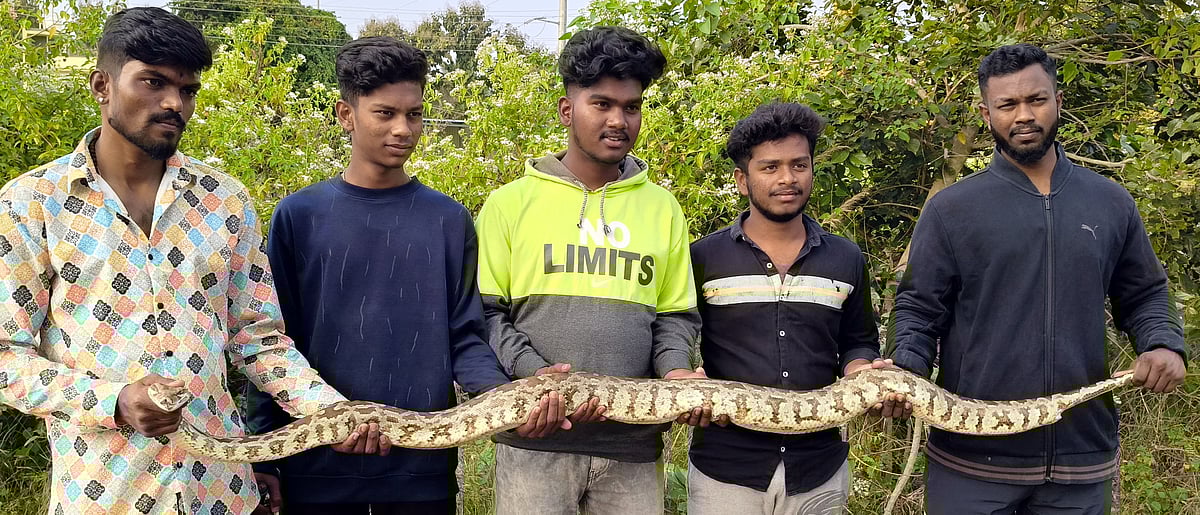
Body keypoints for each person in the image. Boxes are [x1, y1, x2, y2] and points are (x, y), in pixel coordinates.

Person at [0, 8, 388, 515]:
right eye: (153, 82)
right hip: (104, 495)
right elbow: (7, 357)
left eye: (187, 90)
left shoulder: (224, 200)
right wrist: (112, 401)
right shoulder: (30, 203)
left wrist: (334, 414)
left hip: (222, 494)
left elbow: (259, 340)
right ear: (102, 85)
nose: (173, 103)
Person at [244, 36, 569, 515]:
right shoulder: (299, 215)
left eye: (414, 114)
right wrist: (264, 452)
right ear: (345, 114)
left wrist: (509, 400)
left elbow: (465, 336)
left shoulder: (448, 219)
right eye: (385, 113)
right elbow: (272, 340)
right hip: (315, 466)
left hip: (423, 471)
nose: (403, 129)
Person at [890, 43, 1187, 514]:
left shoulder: (1108, 202)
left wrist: (1164, 343)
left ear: (1058, 101)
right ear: (987, 114)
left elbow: (1145, 293)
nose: (1023, 115)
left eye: (1036, 100)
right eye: (1008, 105)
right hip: (972, 463)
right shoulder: (952, 210)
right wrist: (904, 371)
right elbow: (919, 309)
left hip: (1080, 461)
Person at [475, 26, 711, 515]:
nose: (619, 120)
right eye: (601, 104)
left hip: (632, 449)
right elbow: (487, 314)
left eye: (631, 106)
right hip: (533, 442)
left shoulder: (663, 208)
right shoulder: (508, 204)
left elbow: (675, 318)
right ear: (568, 110)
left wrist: (676, 372)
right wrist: (537, 377)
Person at [687, 102, 907, 514]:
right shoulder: (703, 258)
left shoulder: (846, 258)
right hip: (726, 470)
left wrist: (866, 375)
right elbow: (675, 333)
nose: (787, 179)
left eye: (798, 165)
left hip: (818, 469)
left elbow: (858, 343)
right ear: (742, 179)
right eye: (770, 167)